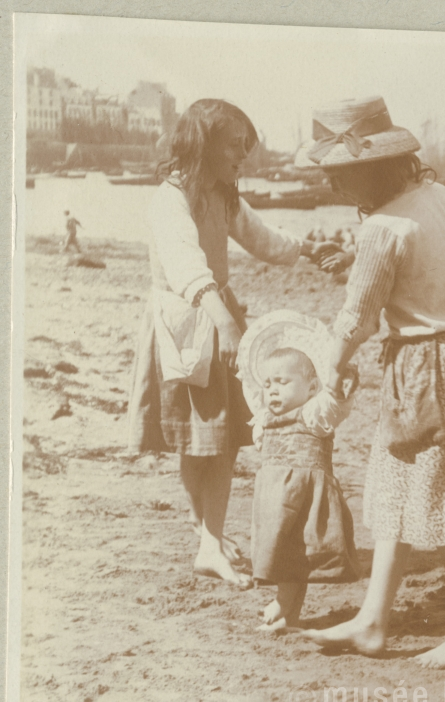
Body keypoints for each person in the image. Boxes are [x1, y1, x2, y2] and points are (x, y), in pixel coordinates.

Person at [294, 97, 445, 668]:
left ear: (368, 170)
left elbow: (358, 318)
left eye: (338, 173)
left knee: (443, 498)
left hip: (424, 368)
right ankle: (373, 619)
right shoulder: (443, 197)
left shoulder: (382, 228)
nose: (331, 184)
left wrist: (330, 373)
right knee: (398, 489)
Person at [127, 99, 341, 587]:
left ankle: (208, 535)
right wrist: (224, 322)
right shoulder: (170, 199)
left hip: (215, 312)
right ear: (201, 145)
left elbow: (263, 239)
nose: (243, 156)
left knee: (217, 441)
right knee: (201, 439)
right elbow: (185, 264)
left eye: (247, 146)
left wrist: (308, 248)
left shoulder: (222, 195)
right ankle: (207, 538)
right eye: (235, 146)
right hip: (186, 323)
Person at [238, 312, 362, 632]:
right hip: (274, 502)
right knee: (284, 556)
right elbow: (253, 397)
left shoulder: (314, 414)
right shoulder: (264, 418)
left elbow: (335, 402)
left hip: (306, 499)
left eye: (282, 382)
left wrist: (341, 380)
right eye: (268, 384)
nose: (272, 391)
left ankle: (283, 603)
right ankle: (288, 617)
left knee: (296, 555)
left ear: (311, 388)